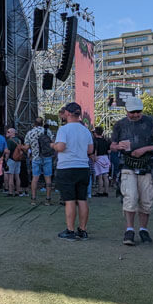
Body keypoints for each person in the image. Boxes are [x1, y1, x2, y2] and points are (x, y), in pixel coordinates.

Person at [111, 97, 153, 245]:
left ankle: (144, 230)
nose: (136, 115)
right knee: (130, 198)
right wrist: (117, 147)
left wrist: (145, 148)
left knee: (146, 200)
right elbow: (112, 145)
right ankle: (129, 229)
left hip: (147, 166)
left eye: (138, 111)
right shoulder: (119, 125)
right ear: (126, 111)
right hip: (127, 165)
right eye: (132, 112)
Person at [53, 102, 94, 241]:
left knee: (70, 200)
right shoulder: (86, 130)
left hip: (67, 167)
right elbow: (90, 150)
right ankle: (82, 230)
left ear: (68, 113)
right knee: (82, 199)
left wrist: (53, 145)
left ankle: (70, 230)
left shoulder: (64, 129)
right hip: (83, 167)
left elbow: (61, 147)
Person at [25, 118, 55, 206]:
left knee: (35, 178)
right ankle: (48, 199)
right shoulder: (47, 131)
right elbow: (53, 143)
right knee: (48, 178)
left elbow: (26, 147)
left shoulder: (30, 133)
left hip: (35, 158)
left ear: (34, 123)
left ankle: (33, 199)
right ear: (42, 123)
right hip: (47, 157)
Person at [4, 127, 23, 197]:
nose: (7, 133)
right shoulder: (19, 140)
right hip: (18, 160)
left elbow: (8, 152)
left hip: (11, 160)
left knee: (10, 176)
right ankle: (18, 191)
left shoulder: (9, 141)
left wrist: (6, 160)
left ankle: (10, 191)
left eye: (8, 132)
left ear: (12, 133)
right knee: (17, 176)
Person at [92, 126, 111, 197]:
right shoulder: (106, 140)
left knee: (99, 176)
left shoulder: (95, 141)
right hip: (106, 158)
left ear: (96, 133)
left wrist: (94, 157)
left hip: (98, 158)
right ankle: (106, 191)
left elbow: (95, 150)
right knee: (105, 176)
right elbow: (109, 151)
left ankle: (100, 191)